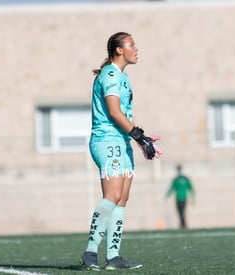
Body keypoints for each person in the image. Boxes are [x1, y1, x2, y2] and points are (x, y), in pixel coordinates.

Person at [79, 32, 161, 271]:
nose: (136, 49)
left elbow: (123, 115)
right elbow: (114, 113)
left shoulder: (122, 77)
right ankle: (90, 252)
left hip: (121, 141)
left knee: (122, 199)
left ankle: (113, 257)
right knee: (112, 196)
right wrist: (138, 135)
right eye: (131, 45)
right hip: (107, 141)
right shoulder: (111, 75)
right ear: (118, 50)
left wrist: (139, 138)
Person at [166, 164, 195, 229]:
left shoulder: (184, 179)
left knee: (181, 211)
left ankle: (183, 224)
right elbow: (172, 188)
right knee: (180, 212)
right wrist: (167, 195)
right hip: (178, 198)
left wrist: (193, 197)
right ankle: (183, 223)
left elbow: (191, 188)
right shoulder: (177, 179)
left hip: (182, 198)